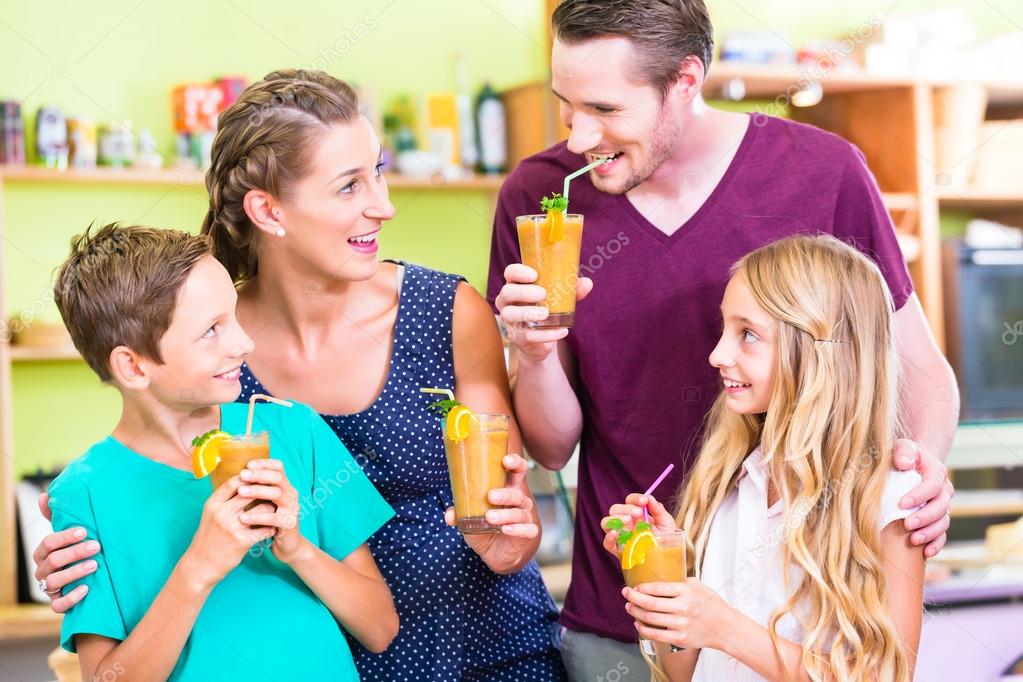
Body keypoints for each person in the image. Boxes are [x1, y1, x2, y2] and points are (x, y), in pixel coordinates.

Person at [34, 70, 566, 680]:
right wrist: (86, 533)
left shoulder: (447, 311)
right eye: (348, 186)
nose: (384, 205)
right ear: (268, 209)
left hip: (490, 654)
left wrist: (513, 540)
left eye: (379, 171)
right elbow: (147, 459)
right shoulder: (217, 356)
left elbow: (507, 510)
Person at [489, 1, 957, 677]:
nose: (580, 136)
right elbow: (552, 444)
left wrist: (918, 480)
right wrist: (530, 352)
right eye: (566, 107)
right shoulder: (538, 200)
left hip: (801, 611)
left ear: (684, 80)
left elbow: (920, 375)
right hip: (623, 611)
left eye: (606, 110)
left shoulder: (822, 174)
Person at [46, 223, 397, 681]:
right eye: (211, 330)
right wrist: (199, 566)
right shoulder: (84, 494)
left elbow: (380, 627)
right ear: (133, 366)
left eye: (232, 316)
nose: (244, 342)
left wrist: (296, 548)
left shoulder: (295, 430)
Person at [602, 235, 925, 681]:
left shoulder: (891, 497)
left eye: (748, 334)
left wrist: (722, 626)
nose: (717, 355)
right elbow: (682, 671)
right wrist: (660, 575)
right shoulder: (730, 482)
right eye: (724, 330)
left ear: (818, 351)